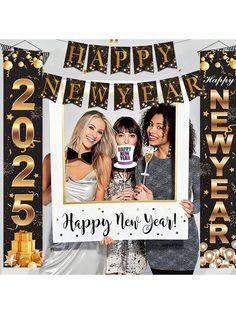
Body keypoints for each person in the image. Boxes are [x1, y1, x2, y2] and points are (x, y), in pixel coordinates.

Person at [41, 110, 117, 274]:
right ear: (80, 126)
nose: (94, 135)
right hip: (60, 238)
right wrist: (59, 183)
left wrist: (106, 230)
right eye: (91, 127)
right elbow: (43, 200)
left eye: (99, 132)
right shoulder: (52, 159)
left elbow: (98, 205)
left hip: (89, 241)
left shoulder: (103, 161)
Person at [134, 104, 200, 275]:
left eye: (159, 126)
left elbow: (203, 201)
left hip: (185, 244)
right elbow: (140, 206)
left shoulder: (191, 162)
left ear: (174, 130)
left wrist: (192, 207)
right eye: (150, 124)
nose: (151, 130)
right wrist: (142, 202)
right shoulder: (142, 163)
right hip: (156, 243)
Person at [105, 117, 146, 275]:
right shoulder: (105, 164)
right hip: (110, 240)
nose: (126, 140)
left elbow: (152, 205)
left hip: (134, 240)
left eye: (132, 135)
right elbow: (92, 201)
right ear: (114, 138)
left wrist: (138, 200)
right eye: (121, 135)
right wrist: (109, 201)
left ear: (138, 140)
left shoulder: (144, 167)